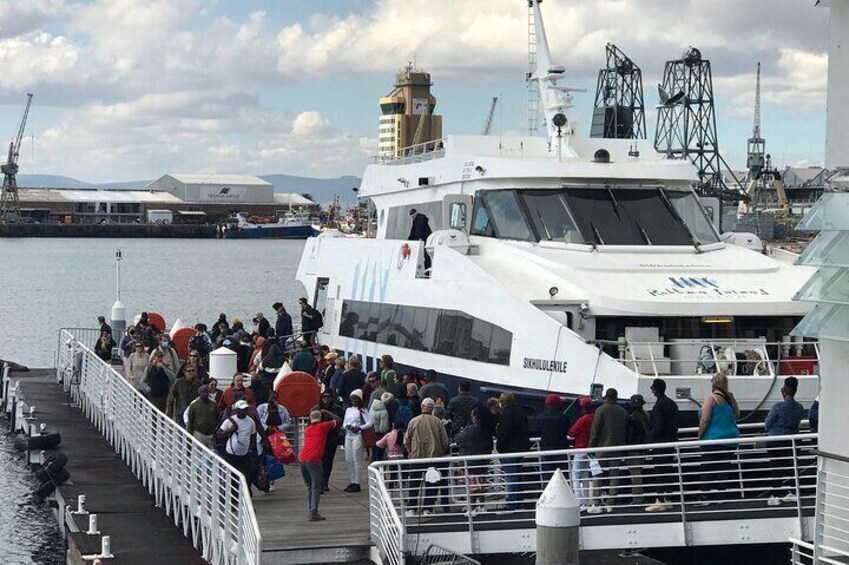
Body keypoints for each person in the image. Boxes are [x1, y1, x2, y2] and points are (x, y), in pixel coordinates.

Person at [697, 373, 740, 504]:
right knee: (722, 468)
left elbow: (705, 419)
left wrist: (699, 435)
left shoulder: (711, 399)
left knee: (708, 467)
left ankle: (705, 496)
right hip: (730, 440)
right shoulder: (729, 399)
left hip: (713, 439)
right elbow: (737, 415)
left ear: (713, 384)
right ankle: (720, 495)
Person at [403, 397, 450, 516]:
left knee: (414, 483)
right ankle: (427, 508)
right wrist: (440, 450)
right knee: (432, 483)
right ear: (432, 408)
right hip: (433, 457)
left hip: (416, 457)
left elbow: (406, 440)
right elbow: (445, 441)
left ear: (421, 407)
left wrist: (410, 451)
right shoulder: (438, 422)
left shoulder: (413, 421)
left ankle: (411, 508)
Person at [765, 376, 805, 506]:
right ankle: (792, 492)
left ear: (784, 391)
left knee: (776, 468)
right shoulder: (800, 407)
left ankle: (776, 494)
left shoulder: (777, 406)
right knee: (792, 467)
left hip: (776, 441)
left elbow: (767, 424)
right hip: (792, 441)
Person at [587, 388, 628, 514]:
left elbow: (595, 431)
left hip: (602, 448)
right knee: (614, 475)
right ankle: (611, 503)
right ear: (616, 397)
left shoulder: (600, 410)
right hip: (617, 447)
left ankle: (596, 503)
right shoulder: (623, 411)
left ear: (606, 397)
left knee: (597, 474)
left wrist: (591, 447)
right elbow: (626, 430)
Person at [299, 409, 343, 521]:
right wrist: (326, 411)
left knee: (309, 486)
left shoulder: (307, 429)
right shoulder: (323, 427)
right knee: (316, 487)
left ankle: (311, 509)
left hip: (303, 457)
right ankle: (314, 512)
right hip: (314, 459)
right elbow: (338, 421)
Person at [645, 378, 679, 513]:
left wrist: (649, 437)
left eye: (653, 388)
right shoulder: (672, 404)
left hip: (660, 443)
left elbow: (658, 426)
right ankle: (668, 498)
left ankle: (659, 499)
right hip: (670, 442)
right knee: (668, 470)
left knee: (659, 470)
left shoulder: (659, 406)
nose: (652, 390)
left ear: (656, 389)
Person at [455, 407, 493, 516]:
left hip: (470, 462)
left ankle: (471, 508)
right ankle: (482, 506)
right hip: (483, 462)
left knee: (471, 487)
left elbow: (458, 438)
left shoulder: (470, 429)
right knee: (481, 486)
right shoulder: (487, 430)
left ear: (475, 416)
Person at [495, 392, 530, 507]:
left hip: (508, 450)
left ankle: (511, 501)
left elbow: (503, 433)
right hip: (521, 448)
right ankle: (519, 499)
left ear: (502, 402)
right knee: (518, 473)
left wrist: (499, 446)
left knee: (511, 475)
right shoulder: (521, 412)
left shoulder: (505, 415)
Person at [216, 400, 257, 490]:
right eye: (242, 409)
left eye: (246, 409)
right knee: (232, 476)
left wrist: (251, 448)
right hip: (231, 453)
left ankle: (246, 494)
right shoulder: (229, 421)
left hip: (244, 454)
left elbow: (253, 436)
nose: (245, 411)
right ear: (237, 410)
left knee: (246, 476)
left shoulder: (250, 422)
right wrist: (230, 430)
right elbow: (219, 434)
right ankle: (234, 497)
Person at [314, 391, 344, 492]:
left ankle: (325, 481)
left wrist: (326, 412)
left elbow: (340, 421)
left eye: (328, 397)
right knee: (318, 461)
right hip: (318, 437)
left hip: (332, 436)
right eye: (324, 397)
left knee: (328, 460)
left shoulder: (337, 409)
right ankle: (319, 482)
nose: (326, 399)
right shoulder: (316, 408)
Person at [342, 390, 372, 493]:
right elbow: (344, 422)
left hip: (357, 435)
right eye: (352, 399)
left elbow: (369, 423)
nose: (353, 401)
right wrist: (347, 426)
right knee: (348, 459)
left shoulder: (362, 410)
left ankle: (357, 482)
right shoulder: (348, 410)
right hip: (348, 435)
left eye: (355, 398)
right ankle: (352, 480)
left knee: (356, 460)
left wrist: (359, 428)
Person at [569, 397, 595, 510]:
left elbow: (571, 432)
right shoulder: (594, 418)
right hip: (590, 450)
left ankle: (578, 500)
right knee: (585, 475)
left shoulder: (582, 420)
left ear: (583, 408)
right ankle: (586, 500)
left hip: (580, 449)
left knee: (575, 474)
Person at [538, 393, 570, 481]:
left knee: (547, 476)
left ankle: (548, 493)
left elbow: (538, 430)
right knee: (563, 476)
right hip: (561, 450)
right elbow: (567, 431)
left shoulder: (540, 417)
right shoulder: (564, 418)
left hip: (546, 450)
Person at [626, 394, 649, 506]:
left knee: (635, 474)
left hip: (634, 448)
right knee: (638, 472)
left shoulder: (632, 418)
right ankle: (639, 496)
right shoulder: (646, 415)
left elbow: (630, 435)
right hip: (643, 447)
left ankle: (637, 498)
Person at [370, 392, 392, 460]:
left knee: (373, 452)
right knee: (379, 454)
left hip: (372, 432)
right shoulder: (384, 412)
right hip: (380, 434)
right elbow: (383, 428)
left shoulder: (372, 407)